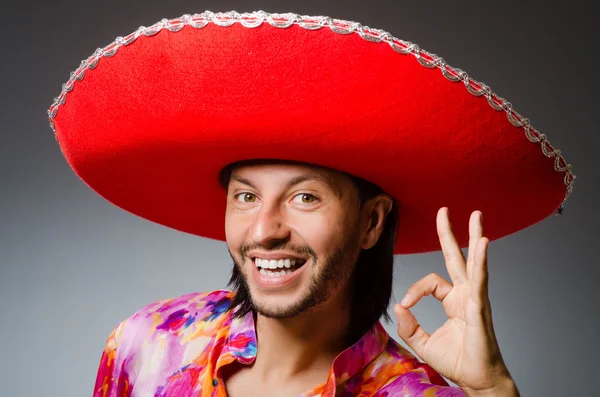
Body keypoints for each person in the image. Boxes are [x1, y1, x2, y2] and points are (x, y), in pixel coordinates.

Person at [47, 10, 574, 397]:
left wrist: (492, 391)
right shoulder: (147, 346)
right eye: (246, 196)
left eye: (304, 197)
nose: (266, 229)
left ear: (371, 222)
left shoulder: (416, 395)